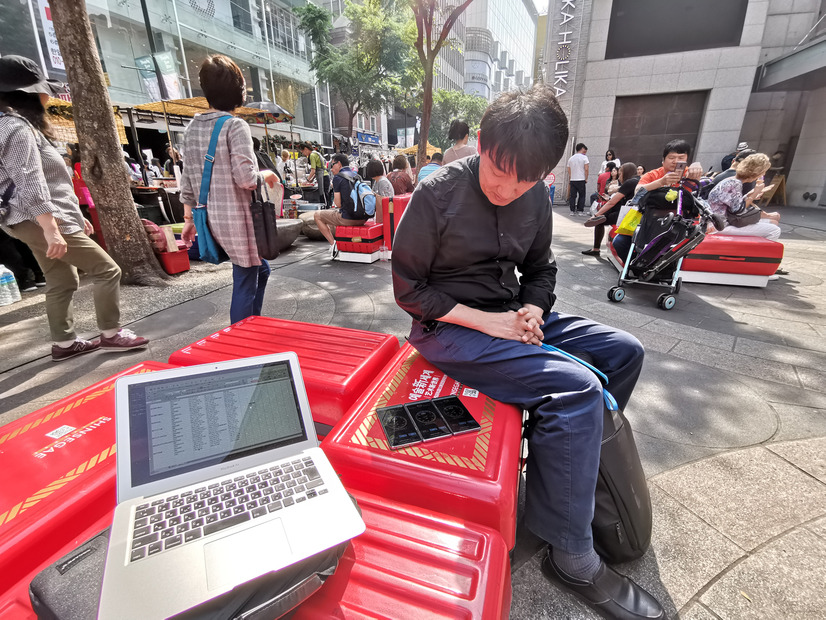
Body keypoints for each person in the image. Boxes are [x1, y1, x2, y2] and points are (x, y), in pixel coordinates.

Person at [392, 83, 664, 620]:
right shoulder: (437, 193)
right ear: (480, 144)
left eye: (526, 179)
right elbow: (408, 291)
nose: (507, 187)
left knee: (624, 352)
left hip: (512, 315)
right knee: (574, 387)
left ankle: (563, 476)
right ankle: (571, 555)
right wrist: (489, 323)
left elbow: (541, 270)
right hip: (448, 327)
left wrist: (534, 310)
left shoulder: (534, 197)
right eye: (498, 170)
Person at [0, 55, 148, 361]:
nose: (48, 95)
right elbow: (30, 182)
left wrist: (74, 216)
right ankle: (112, 333)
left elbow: (48, 182)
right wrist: (53, 229)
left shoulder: (14, 126)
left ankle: (64, 344)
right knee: (107, 270)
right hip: (37, 218)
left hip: (28, 219)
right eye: (43, 89)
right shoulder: (16, 127)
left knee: (62, 279)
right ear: (26, 93)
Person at [180, 55, 280, 324]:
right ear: (238, 89)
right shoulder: (236, 126)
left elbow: (187, 181)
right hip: (238, 219)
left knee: (260, 270)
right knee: (247, 276)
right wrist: (267, 173)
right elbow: (246, 179)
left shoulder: (191, 129)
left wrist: (188, 221)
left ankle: (252, 325)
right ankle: (242, 335)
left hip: (211, 218)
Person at [707, 153, 781, 242]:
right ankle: (754, 254)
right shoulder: (735, 183)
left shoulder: (731, 181)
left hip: (719, 222)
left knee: (772, 223)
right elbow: (738, 210)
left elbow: (735, 204)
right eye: (763, 171)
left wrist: (752, 193)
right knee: (774, 230)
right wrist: (755, 193)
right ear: (756, 172)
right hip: (719, 226)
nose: (764, 173)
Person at [313, 154, 367, 259]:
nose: (331, 168)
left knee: (317, 215)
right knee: (334, 214)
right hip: (363, 217)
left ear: (339, 164)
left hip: (348, 218)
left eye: (332, 165)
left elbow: (338, 203)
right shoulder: (357, 175)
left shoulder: (338, 177)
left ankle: (334, 245)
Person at [583, 163, 639, 257]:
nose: (619, 176)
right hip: (632, 210)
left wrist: (596, 215)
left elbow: (612, 202)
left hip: (628, 214)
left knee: (600, 220)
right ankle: (601, 216)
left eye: (620, 173)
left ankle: (596, 248)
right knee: (607, 212)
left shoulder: (629, 182)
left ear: (626, 173)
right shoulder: (638, 180)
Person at [635, 139, 703, 194]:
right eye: (671, 157)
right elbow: (637, 191)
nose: (676, 161)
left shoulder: (689, 173)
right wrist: (661, 182)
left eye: (681, 158)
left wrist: (696, 167)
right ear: (663, 160)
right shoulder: (653, 175)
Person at [301, 142, 331, 207]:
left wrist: (307, 180)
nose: (303, 154)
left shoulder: (312, 155)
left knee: (323, 196)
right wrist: (312, 179)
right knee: (326, 195)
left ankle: (325, 211)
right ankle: (326, 209)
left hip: (322, 176)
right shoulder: (316, 153)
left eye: (303, 152)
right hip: (325, 176)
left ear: (306, 149)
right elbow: (318, 169)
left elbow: (313, 170)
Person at [566, 143, 589, 215]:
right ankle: (580, 211)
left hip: (573, 179)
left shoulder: (571, 158)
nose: (585, 151)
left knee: (572, 196)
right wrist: (586, 178)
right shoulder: (584, 158)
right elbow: (586, 169)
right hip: (581, 179)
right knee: (582, 195)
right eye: (584, 149)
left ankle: (572, 211)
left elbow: (568, 169)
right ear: (582, 148)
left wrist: (571, 177)